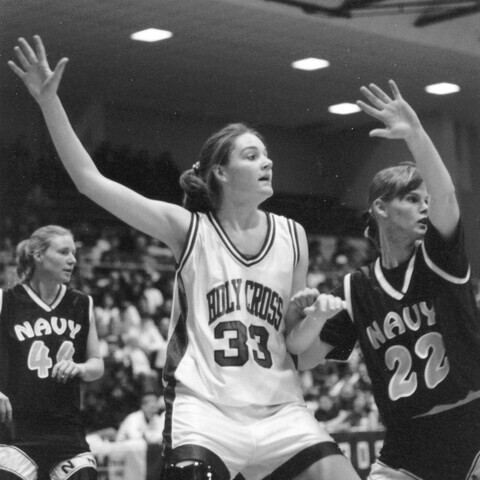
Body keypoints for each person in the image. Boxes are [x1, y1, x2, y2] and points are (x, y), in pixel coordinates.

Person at [8, 36, 361, 480]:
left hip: (280, 412)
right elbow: (89, 181)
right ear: (220, 172)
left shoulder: (294, 236)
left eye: (267, 154)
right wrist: (49, 102)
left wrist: (312, 319)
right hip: (206, 413)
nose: (267, 162)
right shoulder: (188, 229)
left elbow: (295, 349)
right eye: (252, 156)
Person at [287, 80, 480, 479]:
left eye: (425, 201)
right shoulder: (355, 289)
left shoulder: (438, 259)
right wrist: (312, 317)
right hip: (407, 441)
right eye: (412, 200)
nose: (425, 207)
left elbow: (446, 198)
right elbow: (304, 357)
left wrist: (416, 135)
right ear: (381, 208)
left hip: (471, 426)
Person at [0, 225, 105, 480]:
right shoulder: (6, 300)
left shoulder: (82, 303)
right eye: (64, 252)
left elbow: (97, 364)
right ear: (38, 255)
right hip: (17, 432)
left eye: (74, 253)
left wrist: (80, 368)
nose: (73, 260)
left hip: (67, 433)